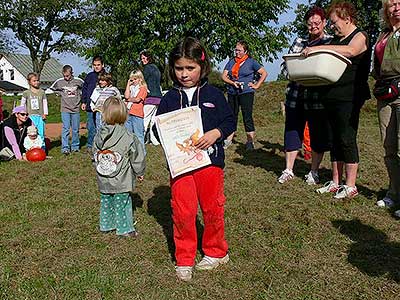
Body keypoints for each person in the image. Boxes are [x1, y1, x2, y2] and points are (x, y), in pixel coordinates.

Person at [155, 37, 235, 281]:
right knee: (183, 212)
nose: (184, 74)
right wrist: (161, 132)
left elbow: (230, 121)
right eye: (179, 68)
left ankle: (216, 252)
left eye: (190, 68)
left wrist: (216, 133)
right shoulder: (168, 98)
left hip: (210, 164)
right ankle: (185, 257)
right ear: (172, 69)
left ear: (202, 66)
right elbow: (158, 128)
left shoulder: (215, 94)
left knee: (212, 208)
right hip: (180, 166)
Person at [302, 1, 371, 199]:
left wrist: (316, 49)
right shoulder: (338, 40)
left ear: (347, 18)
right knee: (334, 139)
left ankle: (350, 185)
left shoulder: (360, 36)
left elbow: (351, 51)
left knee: (346, 137)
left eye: (334, 22)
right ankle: (335, 181)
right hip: (332, 95)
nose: (333, 26)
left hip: (350, 96)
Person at [278, 6, 332, 184]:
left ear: (324, 23)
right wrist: (297, 73)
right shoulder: (299, 41)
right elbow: (286, 67)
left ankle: (314, 171)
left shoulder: (331, 42)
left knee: (317, 134)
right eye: (310, 24)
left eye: (317, 23)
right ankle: (288, 169)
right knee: (292, 131)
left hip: (318, 99)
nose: (314, 26)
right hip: (296, 95)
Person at [93, 97, 145, 237]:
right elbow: (137, 155)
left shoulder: (98, 136)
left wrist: (97, 166)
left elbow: (94, 154)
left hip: (104, 175)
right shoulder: (128, 136)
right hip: (121, 178)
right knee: (123, 202)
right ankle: (124, 229)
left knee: (106, 199)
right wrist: (139, 171)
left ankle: (106, 224)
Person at [373, 0, 400, 209]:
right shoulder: (383, 34)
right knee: (388, 146)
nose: (396, 7)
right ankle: (394, 192)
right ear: (386, 10)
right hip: (385, 93)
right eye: (392, 4)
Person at [221, 40, 268, 150]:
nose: (237, 52)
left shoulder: (251, 62)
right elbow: (224, 76)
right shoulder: (231, 61)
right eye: (236, 50)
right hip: (232, 91)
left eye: (239, 50)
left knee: (247, 116)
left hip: (246, 92)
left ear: (245, 51)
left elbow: (264, 73)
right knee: (232, 115)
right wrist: (233, 83)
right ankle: (228, 139)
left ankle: (250, 141)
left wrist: (256, 85)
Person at [50, 65, 84, 155]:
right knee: (65, 128)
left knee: (75, 129)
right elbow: (51, 88)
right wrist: (60, 93)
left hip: (75, 108)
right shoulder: (60, 81)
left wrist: (80, 96)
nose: (66, 78)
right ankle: (65, 147)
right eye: (64, 76)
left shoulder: (78, 81)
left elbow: (85, 88)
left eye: (68, 76)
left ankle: (75, 146)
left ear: (71, 73)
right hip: (65, 108)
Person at [81, 56, 105, 153]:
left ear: (102, 65)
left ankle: (102, 145)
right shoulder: (89, 76)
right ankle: (90, 145)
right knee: (91, 126)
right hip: (90, 106)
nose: (97, 67)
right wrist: (83, 101)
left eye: (98, 65)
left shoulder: (106, 76)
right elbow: (85, 89)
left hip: (102, 107)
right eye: (95, 65)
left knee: (102, 126)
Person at [140, 50, 162, 145]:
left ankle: (141, 139)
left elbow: (143, 82)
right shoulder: (156, 68)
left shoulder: (147, 68)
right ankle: (154, 140)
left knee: (145, 119)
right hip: (158, 98)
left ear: (149, 58)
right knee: (153, 122)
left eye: (145, 58)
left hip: (150, 98)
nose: (143, 60)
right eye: (142, 59)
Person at [20, 73, 47, 148]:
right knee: (31, 132)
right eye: (34, 81)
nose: (36, 82)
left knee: (41, 133)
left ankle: (42, 148)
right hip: (30, 116)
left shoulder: (42, 92)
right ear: (29, 82)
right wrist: (23, 114)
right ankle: (29, 148)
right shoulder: (26, 93)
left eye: (37, 80)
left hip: (40, 116)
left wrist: (45, 113)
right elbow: (22, 104)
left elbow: (44, 103)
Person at [124, 69, 148, 148]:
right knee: (129, 134)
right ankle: (131, 152)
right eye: (132, 79)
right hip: (128, 112)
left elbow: (138, 99)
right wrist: (128, 84)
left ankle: (141, 154)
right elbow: (126, 96)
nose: (133, 81)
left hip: (137, 114)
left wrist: (129, 100)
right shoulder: (131, 88)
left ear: (140, 79)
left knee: (138, 135)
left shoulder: (143, 88)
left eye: (135, 79)